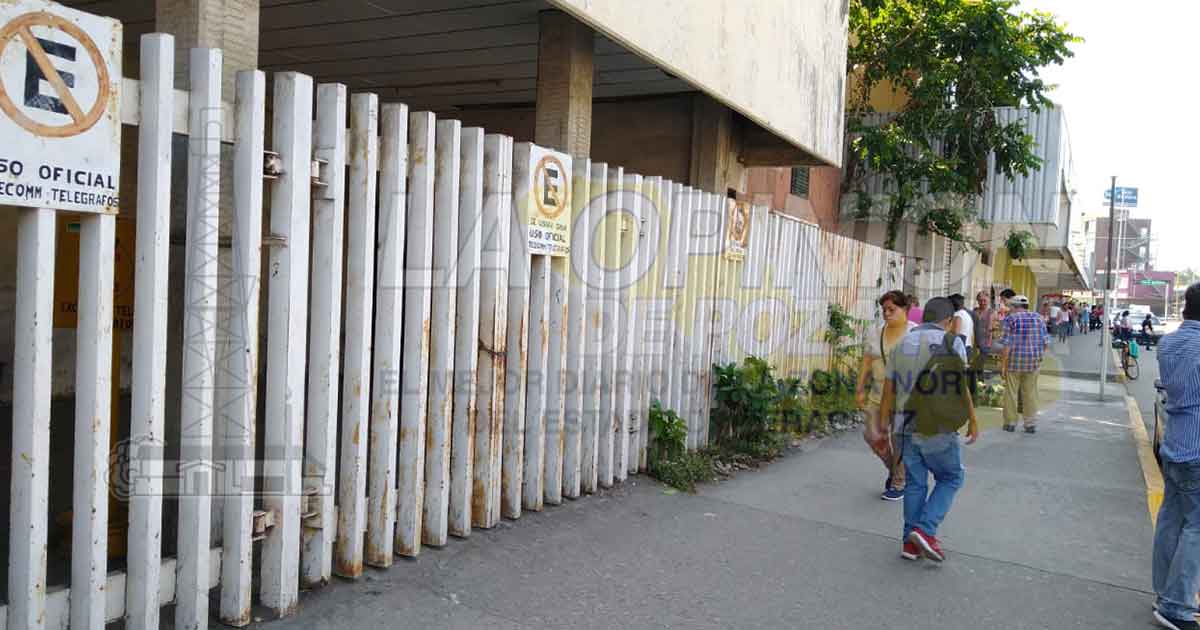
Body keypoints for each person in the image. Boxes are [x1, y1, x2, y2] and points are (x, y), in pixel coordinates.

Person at [878, 297, 979, 562]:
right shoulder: (952, 342)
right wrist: (973, 418)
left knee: (915, 482)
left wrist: (882, 423)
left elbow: (888, 389)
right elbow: (960, 387)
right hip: (937, 426)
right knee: (951, 477)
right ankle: (925, 530)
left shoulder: (901, 344)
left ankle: (909, 544)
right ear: (947, 321)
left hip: (904, 424)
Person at [1151, 283, 1200, 630]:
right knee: (1196, 526)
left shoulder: (1169, 342)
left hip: (1175, 441)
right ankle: (1177, 605)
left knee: (1171, 520)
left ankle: (1163, 594)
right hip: (1197, 446)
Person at [856, 290, 917, 501]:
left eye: (892, 309)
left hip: (904, 398)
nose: (887, 314)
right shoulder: (875, 332)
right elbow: (866, 361)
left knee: (899, 440)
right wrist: (859, 389)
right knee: (873, 436)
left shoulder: (915, 333)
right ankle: (894, 470)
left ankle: (899, 482)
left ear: (905, 309)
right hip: (877, 395)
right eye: (884, 310)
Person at [999, 294, 1050, 433]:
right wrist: (1039, 358)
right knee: (1030, 393)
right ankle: (1030, 424)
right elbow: (1046, 343)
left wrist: (1003, 365)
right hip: (1033, 363)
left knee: (1011, 393)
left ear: (1015, 307)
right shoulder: (1039, 318)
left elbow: (1006, 346)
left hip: (1014, 362)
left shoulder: (1010, 319)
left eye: (1010, 307)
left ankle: (1010, 423)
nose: (1009, 310)